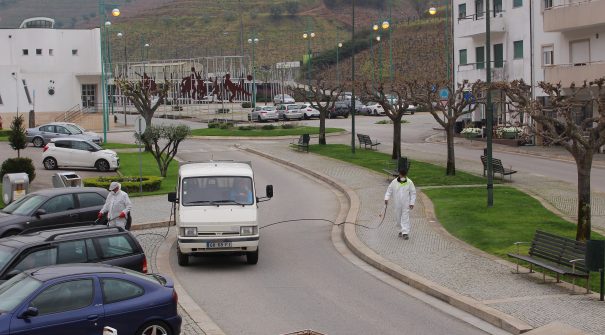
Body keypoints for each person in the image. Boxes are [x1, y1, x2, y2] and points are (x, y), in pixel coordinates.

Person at [383, 167, 416, 240]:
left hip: (406, 203)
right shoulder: (394, 182)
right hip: (397, 203)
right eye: (401, 175)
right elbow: (389, 190)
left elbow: (413, 193)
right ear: (399, 174)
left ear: (406, 175)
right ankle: (400, 230)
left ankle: (405, 233)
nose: (402, 177)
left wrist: (412, 203)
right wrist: (386, 198)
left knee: (405, 217)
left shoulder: (409, 182)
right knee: (398, 218)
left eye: (404, 176)